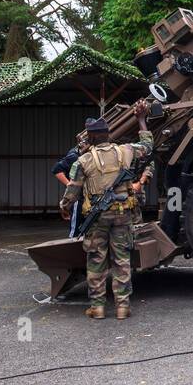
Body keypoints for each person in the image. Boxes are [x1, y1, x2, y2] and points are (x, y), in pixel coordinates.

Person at [60, 100, 155, 320]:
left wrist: (64, 208)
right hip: (123, 215)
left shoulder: (82, 161)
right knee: (122, 261)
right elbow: (148, 147)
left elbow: (72, 192)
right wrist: (141, 120)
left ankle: (98, 307)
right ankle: (123, 307)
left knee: (96, 262)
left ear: (91, 138)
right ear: (108, 134)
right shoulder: (126, 151)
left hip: (97, 219)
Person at [51, 139, 88, 237]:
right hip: (78, 197)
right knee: (76, 229)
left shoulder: (86, 154)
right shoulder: (75, 156)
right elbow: (56, 169)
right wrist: (70, 186)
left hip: (88, 196)